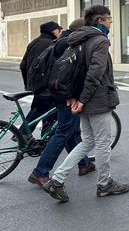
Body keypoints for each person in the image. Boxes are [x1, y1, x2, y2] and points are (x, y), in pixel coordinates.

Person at [42, 6, 129, 202]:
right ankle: (105, 183)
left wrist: (74, 96)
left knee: (88, 141)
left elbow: (72, 72)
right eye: (109, 19)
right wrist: (82, 99)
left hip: (83, 98)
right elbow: (95, 73)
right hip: (96, 99)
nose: (110, 23)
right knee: (102, 142)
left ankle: (56, 180)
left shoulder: (78, 40)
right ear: (100, 20)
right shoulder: (99, 41)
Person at [28, 19, 95, 188]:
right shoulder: (68, 43)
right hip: (65, 95)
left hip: (56, 92)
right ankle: (40, 172)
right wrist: (75, 95)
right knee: (63, 132)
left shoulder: (61, 40)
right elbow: (71, 73)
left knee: (70, 130)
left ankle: (84, 164)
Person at [19, 21, 62, 135]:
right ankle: (46, 140)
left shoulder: (33, 43)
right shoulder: (52, 44)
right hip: (47, 85)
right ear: (53, 31)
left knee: (37, 109)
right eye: (59, 30)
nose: (60, 32)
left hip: (36, 84)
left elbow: (23, 65)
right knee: (50, 113)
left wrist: (28, 84)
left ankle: (22, 134)